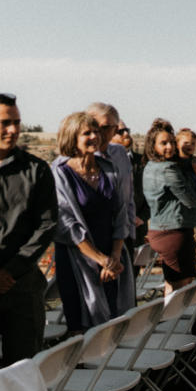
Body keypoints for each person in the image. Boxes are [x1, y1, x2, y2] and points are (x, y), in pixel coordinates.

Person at [0, 93, 57, 378]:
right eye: (4, 123)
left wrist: (10, 271)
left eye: (17, 123)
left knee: (22, 374)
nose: (13, 130)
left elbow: (46, 225)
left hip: (21, 289)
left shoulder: (36, 171)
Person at [52, 112, 135, 332]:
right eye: (86, 133)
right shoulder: (60, 173)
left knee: (114, 326)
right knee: (82, 330)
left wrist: (115, 257)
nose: (94, 137)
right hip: (77, 258)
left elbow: (121, 213)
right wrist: (100, 259)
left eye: (96, 131)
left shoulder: (109, 169)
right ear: (72, 137)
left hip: (113, 256)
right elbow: (67, 224)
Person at [142, 119, 196, 294]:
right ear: (152, 145)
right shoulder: (168, 169)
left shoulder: (151, 165)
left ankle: (169, 320)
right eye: (163, 143)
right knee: (181, 286)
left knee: (174, 284)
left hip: (164, 229)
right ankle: (170, 320)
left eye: (171, 142)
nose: (170, 147)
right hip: (172, 232)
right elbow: (192, 200)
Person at [87, 102, 136, 272]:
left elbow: (128, 196)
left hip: (122, 237)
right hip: (92, 241)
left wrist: (129, 233)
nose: (100, 133)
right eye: (97, 127)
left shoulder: (120, 154)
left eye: (108, 127)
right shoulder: (79, 159)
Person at [111, 119, 149, 247]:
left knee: (134, 266)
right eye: (120, 131)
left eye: (127, 130)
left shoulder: (143, 162)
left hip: (137, 228)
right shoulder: (104, 163)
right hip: (112, 230)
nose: (126, 134)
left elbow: (151, 194)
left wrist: (141, 218)